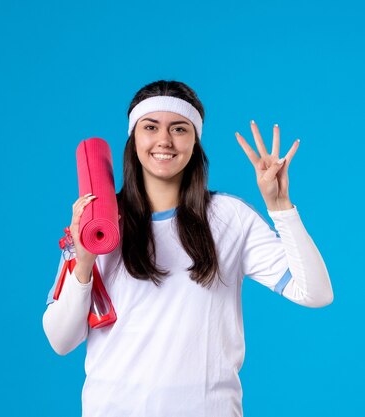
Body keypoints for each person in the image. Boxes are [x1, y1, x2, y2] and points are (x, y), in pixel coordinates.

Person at [42, 80, 333, 417]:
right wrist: (84, 260)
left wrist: (281, 206)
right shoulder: (98, 225)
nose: (164, 140)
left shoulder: (229, 217)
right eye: (150, 127)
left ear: (195, 142)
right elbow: (61, 341)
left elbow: (316, 293)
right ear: (133, 138)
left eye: (179, 128)